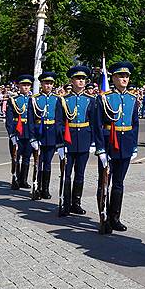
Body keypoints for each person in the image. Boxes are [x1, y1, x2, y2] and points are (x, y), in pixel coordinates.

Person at [96, 61, 139, 232]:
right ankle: (103, 217)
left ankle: (115, 217)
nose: (124, 79)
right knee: (104, 182)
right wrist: (100, 149)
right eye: (121, 76)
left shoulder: (132, 99)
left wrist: (134, 146)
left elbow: (135, 125)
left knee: (119, 183)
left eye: (126, 76)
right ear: (113, 78)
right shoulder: (104, 98)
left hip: (125, 144)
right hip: (108, 145)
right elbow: (97, 124)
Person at [57, 65, 103, 216]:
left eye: (83, 79)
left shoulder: (91, 100)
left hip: (84, 139)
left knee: (80, 173)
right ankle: (65, 203)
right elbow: (59, 123)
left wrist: (93, 143)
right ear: (71, 81)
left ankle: (76, 202)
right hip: (68, 141)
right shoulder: (63, 100)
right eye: (78, 78)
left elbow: (95, 123)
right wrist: (60, 144)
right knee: (66, 173)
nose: (81, 81)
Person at [28, 72, 62, 200]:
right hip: (39, 133)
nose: (48, 85)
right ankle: (36, 188)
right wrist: (32, 137)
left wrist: (60, 139)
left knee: (47, 162)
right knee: (38, 162)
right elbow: (30, 120)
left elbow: (59, 119)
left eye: (50, 83)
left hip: (52, 133)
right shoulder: (35, 99)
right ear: (41, 84)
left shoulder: (57, 99)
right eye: (46, 83)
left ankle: (45, 189)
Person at [5, 75, 34, 190]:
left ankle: (24, 180)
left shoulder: (33, 100)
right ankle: (15, 179)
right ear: (19, 86)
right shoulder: (13, 100)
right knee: (15, 157)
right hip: (17, 131)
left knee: (27, 157)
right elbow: (9, 119)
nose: (26, 87)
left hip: (29, 132)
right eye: (23, 85)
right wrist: (11, 133)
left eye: (28, 85)